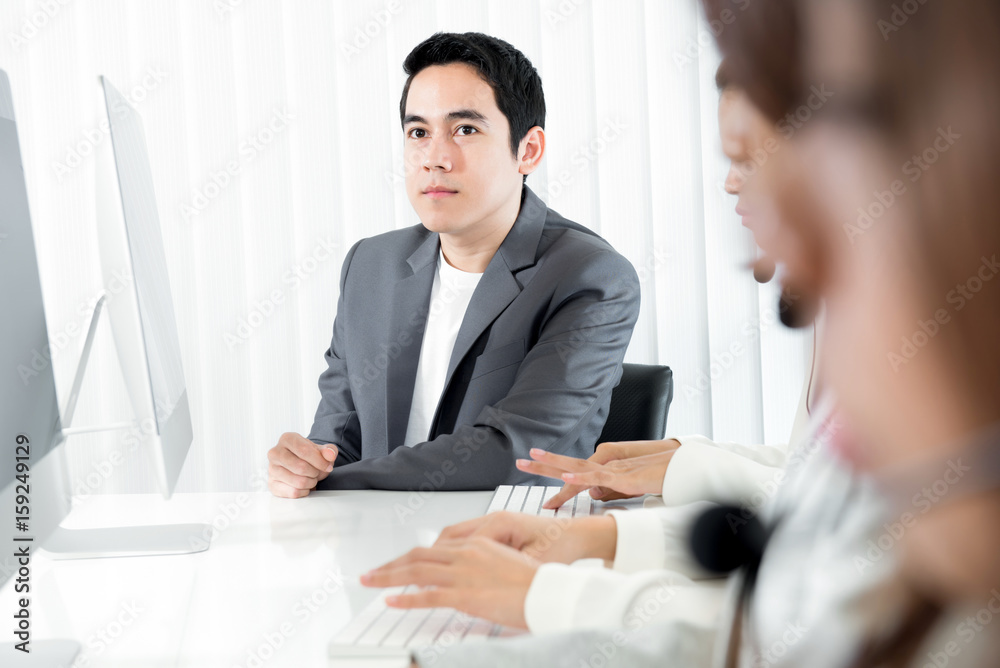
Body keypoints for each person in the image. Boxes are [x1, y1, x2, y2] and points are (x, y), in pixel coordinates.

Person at [266, 32, 640, 496]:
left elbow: (514, 454)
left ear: (528, 150)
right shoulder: (370, 266)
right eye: (418, 132)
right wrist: (305, 466)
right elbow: (338, 439)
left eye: (465, 130)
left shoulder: (590, 277)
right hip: (369, 542)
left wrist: (337, 483)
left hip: (502, 547)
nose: (434, 159)